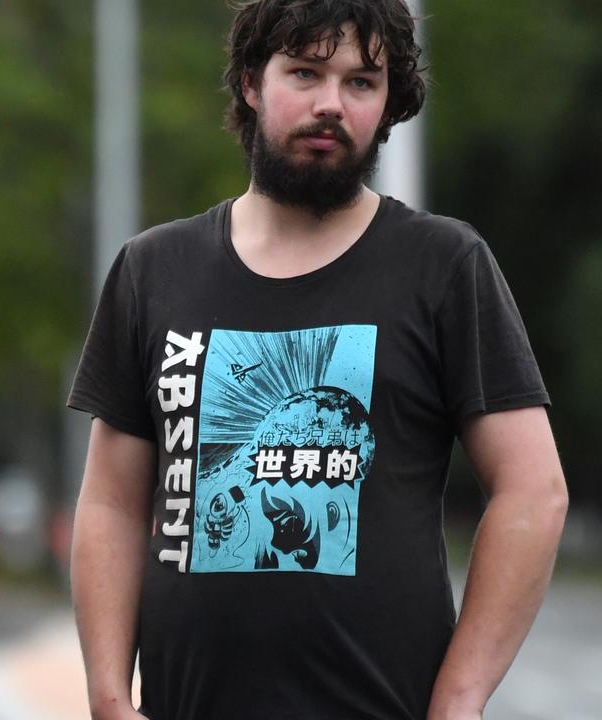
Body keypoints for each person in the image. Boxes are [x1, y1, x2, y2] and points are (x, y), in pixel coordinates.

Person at [67, 2, 568, 719]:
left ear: (388, 100)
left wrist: (460, 697)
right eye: (304, 72)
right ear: (250, 82)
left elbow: (533, 490)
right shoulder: (154, 270)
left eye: (361, 82)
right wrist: (110, 697)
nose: (331, 103)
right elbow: (113, 502)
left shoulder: (444, 264)